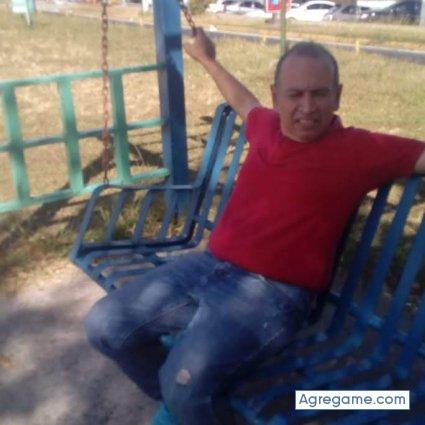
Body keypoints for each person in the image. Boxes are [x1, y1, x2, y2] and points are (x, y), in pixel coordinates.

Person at [83, 28, 425, 425]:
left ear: (338, 96)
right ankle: (184, 406)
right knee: (105, 325)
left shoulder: (361, 150)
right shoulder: (265, 125)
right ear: (276, 97)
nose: (307, 106)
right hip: (207, 267)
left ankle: (185, 402)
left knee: (185, 382)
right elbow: (242, 100)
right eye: (295, 94)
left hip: (272, 295)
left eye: (320, 93)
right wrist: (207, 59)